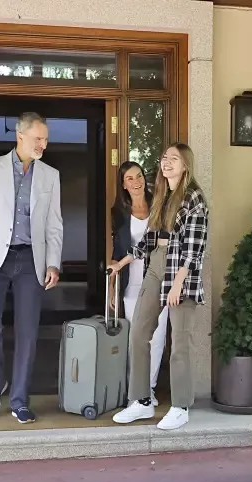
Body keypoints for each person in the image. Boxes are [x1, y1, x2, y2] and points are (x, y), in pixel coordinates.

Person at [0, 112, 63, 423]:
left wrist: (54, 263)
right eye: (38, 138)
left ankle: (19, 399)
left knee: (28, 334)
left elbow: (54, 225)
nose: (43, 144)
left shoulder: (50, 175)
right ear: (20, 136)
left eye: (45, 139)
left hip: (31, 260)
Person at [108, 143, 208, 431]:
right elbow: (149, 239)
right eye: (164, 158)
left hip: (182, 270)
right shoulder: (163, 196)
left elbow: (194, 248)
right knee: (139, 331)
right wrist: (122, 263)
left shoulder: (194, 198)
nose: (166, 163)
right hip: (156, 265)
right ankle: (141, 401)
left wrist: (178, 283)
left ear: (185, 165)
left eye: (173, 159)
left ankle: (180, 406)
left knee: (180, 343)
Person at [110, 161, 169, 407]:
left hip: (158, 279)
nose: (136, 182)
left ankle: (150, 389)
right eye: (130, 179)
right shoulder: (119, 212)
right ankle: (137, 391)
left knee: (158, 337)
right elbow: (116, 251)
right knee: (137, 339)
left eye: (139, 176)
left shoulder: (160, 205)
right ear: (123, 185)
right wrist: (113, 289)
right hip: (132, 282)